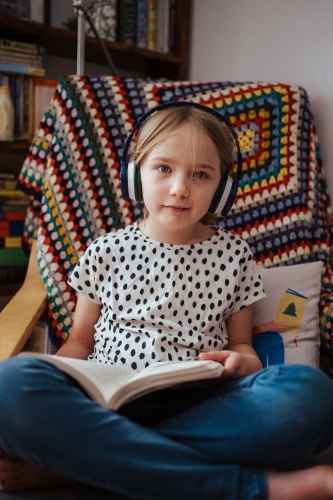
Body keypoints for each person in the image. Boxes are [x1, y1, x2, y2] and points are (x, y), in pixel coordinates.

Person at [1, 102, 333, 500]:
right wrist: (64, 382)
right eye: (163, 168)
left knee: (310, 394)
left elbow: (243, 347)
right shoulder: (105, 250)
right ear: (135, 174)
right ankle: (247, 486)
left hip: (203, 403)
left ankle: (83, 464)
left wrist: (242, 362)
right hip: (110, 403)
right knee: (10, 385)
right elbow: (80, 342)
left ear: (222, 189)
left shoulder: (235, 255)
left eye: (200, 174)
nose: (180, 187)